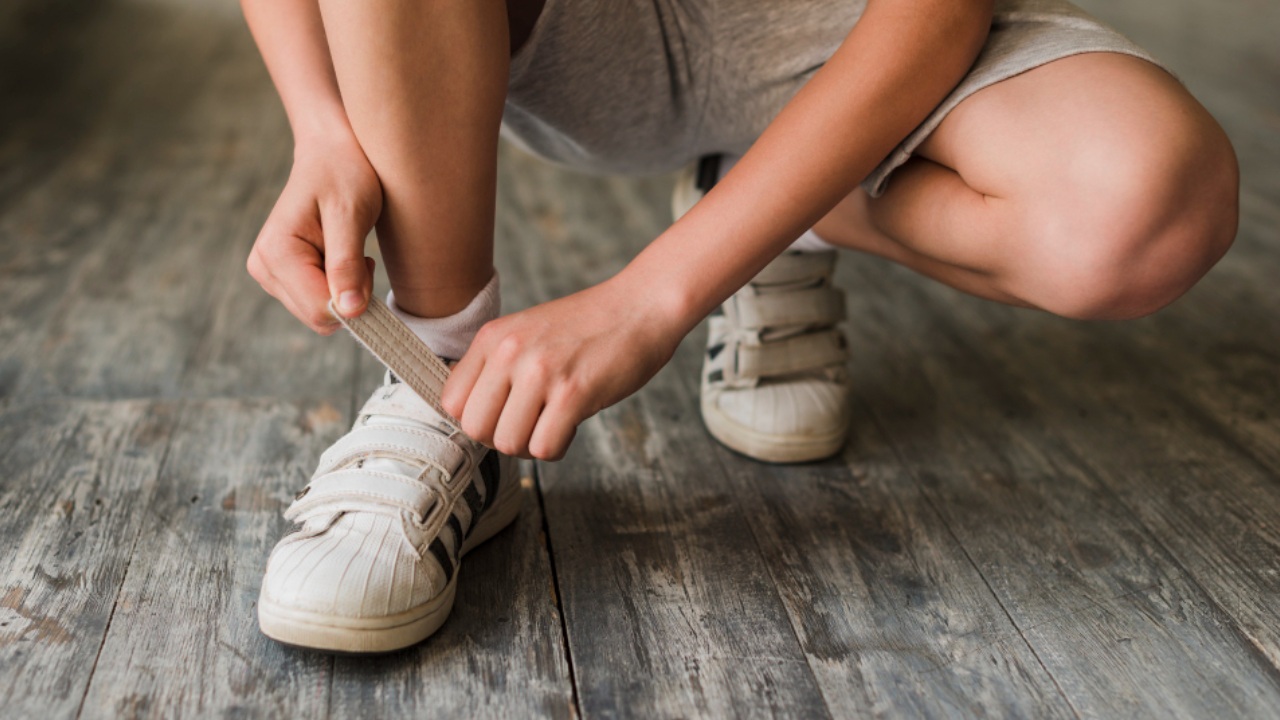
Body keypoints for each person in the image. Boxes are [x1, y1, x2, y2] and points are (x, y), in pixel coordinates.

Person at [243, 0, 1239, 652]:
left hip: (861, 34)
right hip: (557, 32)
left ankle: (768, 211)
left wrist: (652, 297)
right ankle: (443, 373)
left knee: (1151, 207)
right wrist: (321, 123)